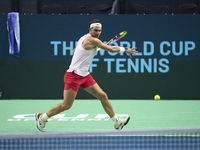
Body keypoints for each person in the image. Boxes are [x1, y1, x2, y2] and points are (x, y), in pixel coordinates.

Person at [35, 19, 138, 132]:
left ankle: (116, 123)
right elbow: (112, 49)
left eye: (100, 31)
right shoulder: (92, 40)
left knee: (103, 96)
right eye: (95, 30)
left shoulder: (83, 38)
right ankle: (42, 118)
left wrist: (89, 51)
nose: (98, 33)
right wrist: (125, 49)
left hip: (84, 75)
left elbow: (75, 51)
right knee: (66, 105)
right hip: (73, 75)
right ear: (90, 29)